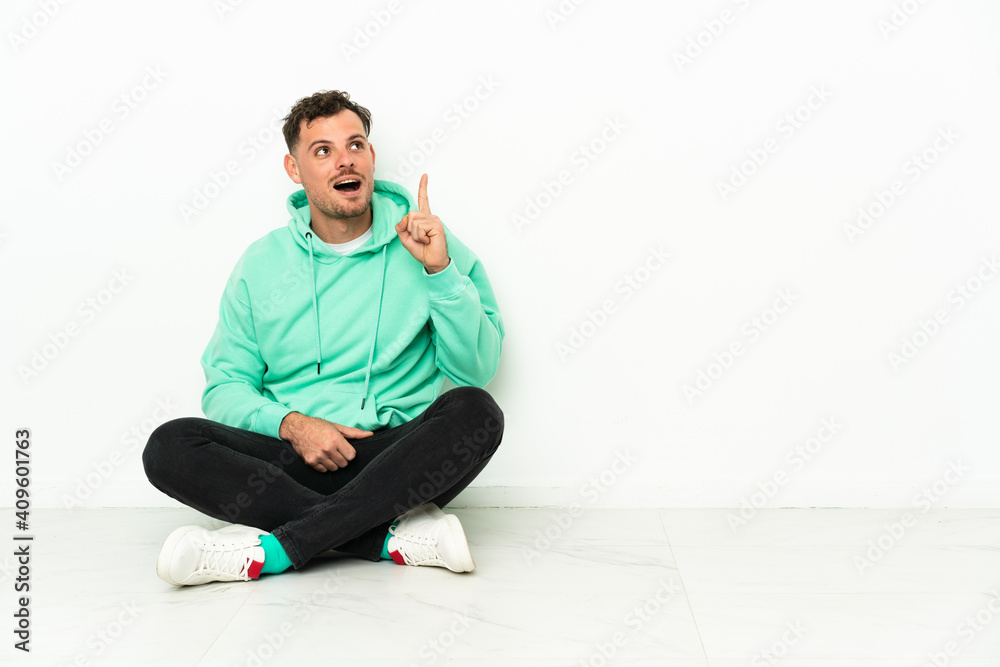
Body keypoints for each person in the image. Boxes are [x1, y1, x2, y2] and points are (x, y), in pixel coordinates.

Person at [142, 90, 505, 586]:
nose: (344, 161)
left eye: (355, 145)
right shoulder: (261, 264)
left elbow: (476, 369)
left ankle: (274, 551)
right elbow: (225, 386)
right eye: (323, 151)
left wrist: (439, 272)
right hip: (290, 460)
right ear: (294, 169)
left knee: (476, 412)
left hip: (394, 461)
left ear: (371, 156)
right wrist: (293, 425)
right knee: (169, 445)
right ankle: (383, 538)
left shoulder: (430, 244)